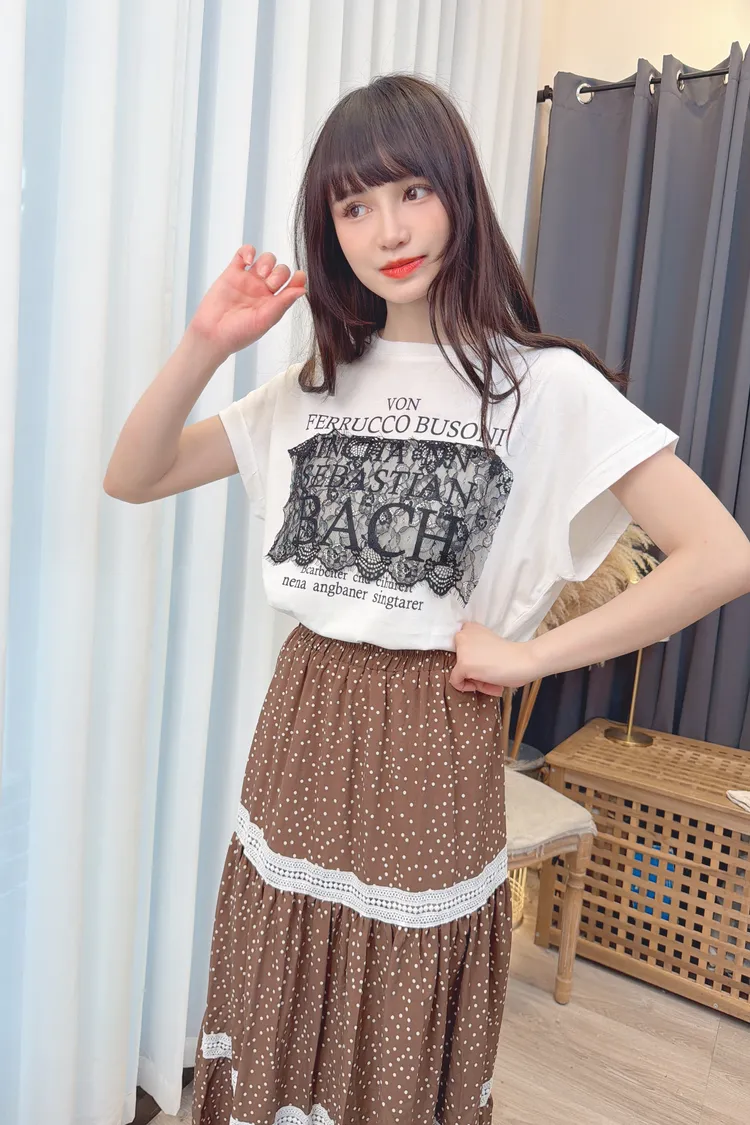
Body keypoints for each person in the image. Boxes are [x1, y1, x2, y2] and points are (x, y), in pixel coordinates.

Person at [103, 74, 750, 1125]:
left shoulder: (541, 387)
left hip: (432, 727)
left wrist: (532, 657)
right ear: (329, 230)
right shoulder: (316, 384)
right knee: (284, 975)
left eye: (412, 191)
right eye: (354, 206)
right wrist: (207, 344)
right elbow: (133, 475)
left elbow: (720, 554)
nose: (389, 231)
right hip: (305, 716)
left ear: (460, 194)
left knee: (400, 993)